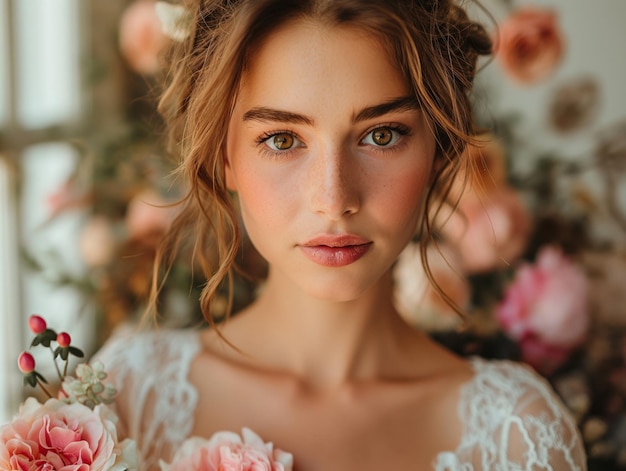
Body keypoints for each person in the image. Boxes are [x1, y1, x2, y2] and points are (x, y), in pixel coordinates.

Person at [95, 0, 587, 469]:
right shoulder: (127, 397)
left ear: (439, 148)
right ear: (224, 157)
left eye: (382, 134)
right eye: (282, 140)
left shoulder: (518, 435)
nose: (334, 198)